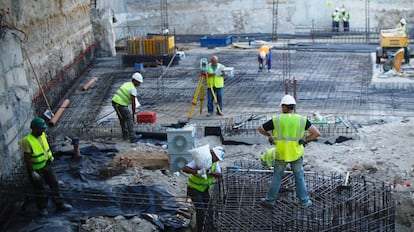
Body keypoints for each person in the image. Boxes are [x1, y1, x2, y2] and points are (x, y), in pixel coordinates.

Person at [257, 94, 321, 208]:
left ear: (284, 107)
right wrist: (305, 140)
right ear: (293, 107)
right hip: (296, 154)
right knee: (299, 177)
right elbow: (316, 133)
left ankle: (270, 201)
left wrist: (270, 136)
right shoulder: (302, 120)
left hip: (281, 153)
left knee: (277, 177)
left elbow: (260, 129)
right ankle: (304, 202)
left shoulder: (276, 119)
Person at [21, 117, 72, 216]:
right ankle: (42, 208)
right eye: (41, 129)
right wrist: (32, 172)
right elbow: (27, 158)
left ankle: (60, 204)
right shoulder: (27, 141)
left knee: (55, 184)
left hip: (47, 165)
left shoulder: (43, 135)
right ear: (34, 129)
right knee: (40, 188)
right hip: (36, 169)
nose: (43, 130)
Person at [182, 146, 225, 232]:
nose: (217, 160)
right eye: (216, 158)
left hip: (204, 189)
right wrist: (198, 172)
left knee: (210, 209)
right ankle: (201, 229)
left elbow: (219, 174)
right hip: (193, 188)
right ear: (213, 154)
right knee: (201, 210)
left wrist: (210, 172)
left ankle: (210, 228)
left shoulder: (215, 163)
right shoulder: (201, 160)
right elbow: (185, 168)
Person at [112, 72, 143, 143]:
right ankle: (132, 137)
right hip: (119, 104)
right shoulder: (133, 89)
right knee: (129, 118)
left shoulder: (127, 84)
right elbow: (133, 102)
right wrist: (133, 112)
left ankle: (125, 136)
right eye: (139, 82)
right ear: (135, 80)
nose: (139, 84)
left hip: (117, 103)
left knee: (123, 119)